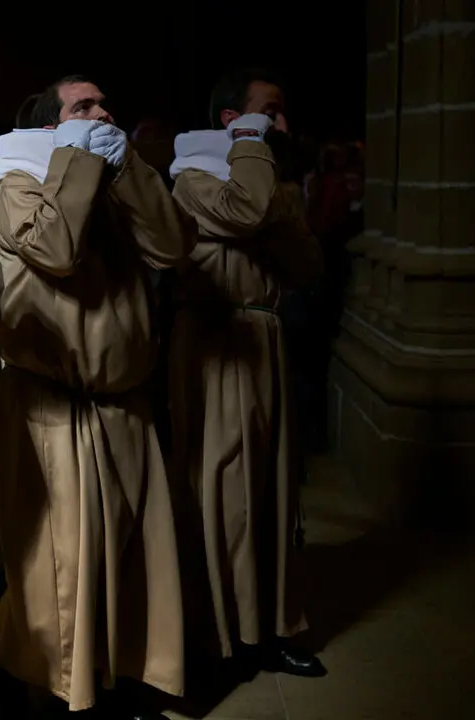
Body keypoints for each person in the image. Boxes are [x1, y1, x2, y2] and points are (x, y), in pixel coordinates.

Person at [0, 75, 193, 719]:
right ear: (53, 128)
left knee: (128, 555)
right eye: (84, 108)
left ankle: (116, 676)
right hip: (52, 405)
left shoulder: (113, 183)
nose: (103, 114)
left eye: (105, 105)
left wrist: (125, 166)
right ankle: (38, 682)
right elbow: (55, 249)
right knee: (60, 567)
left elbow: (172, 245)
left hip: (122, 400)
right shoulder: (16, 184)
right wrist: (77, 158)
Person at [167, 68, 325, 677]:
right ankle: (218, 635)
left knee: (272, 490)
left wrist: (279, 217)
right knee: (223, 487)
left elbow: (307, 261)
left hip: (266, 334)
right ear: (235, 122)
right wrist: (259, 165)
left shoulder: (271, 179)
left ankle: (270, 626)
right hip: (217, 339)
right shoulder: (193, 174)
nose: (282, 124)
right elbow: (247, 210)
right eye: (269, 112)